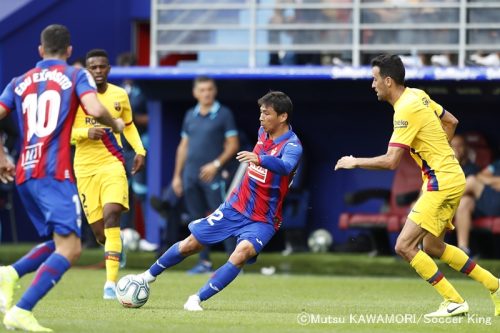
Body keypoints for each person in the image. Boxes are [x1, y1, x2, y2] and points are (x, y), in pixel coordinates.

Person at [335, 54, 500, 318]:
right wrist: (441, 152)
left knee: (404, 245)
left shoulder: (404, 110)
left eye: (375, 79)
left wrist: (354, 162)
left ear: (388, 81)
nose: (372, 85)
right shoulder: (417, 94)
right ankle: (495, 285)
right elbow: (452, 122)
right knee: (433, 247)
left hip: (441, 181)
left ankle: (453, 301)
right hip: (450, 176)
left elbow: (391, 162)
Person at [0, 24, 124, 332]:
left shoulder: (19, 81)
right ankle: (21, 310)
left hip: (25, 172)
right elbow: (94, 106)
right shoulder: (74, 75)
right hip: (54, 173)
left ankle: (10, 273)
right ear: (69, 52)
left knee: (57, 242)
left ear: (40, 51)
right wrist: (116, 122)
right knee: (71, 248)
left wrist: (2, 157)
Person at [138, 91, 302, 310]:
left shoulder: (292, 146)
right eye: (260, 112)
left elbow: (286, 167)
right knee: (190, 244)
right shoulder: (263, 132)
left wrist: (260, 159)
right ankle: (146, 277)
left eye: (266, 113)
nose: (261, 118)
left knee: (241, 253)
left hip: (263, 218)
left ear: (282, 117)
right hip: (235, 206)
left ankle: (196, 299)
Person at [71, 49, 146, 299]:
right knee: (101, 233)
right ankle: (116, 248)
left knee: (112, 215)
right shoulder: (77, 97)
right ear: (87, 71)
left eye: (102, 67)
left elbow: (129, 124)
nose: (98, 71)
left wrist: (139, 150)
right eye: (93, 67)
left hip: (113, 162)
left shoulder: (119, 95)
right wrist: (84, 134)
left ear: (109, 69)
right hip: (85, 168)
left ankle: (110, 284)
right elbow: (64, 133)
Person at [152, 76, 240, 274]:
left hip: (213, 176)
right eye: (202, 90)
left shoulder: (224, 114)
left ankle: (234, 263)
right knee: (197, 220)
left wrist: (215, 165)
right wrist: (177, 176)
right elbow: (183, 146)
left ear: (215, 90)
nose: (206, 93)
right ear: (195, 93)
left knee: (223, 217)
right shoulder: (190, 115)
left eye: (209, 89)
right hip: (190, 175)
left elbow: (233, 144)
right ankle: (204, 262)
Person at [454, 159, 500, 256]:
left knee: (471, 181)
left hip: (496, 203)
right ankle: (463, 251)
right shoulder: (497, 163)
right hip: (489, 201)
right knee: (464, 202)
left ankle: (438, 202)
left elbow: (479, 179)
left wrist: (488, 180)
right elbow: (479, 175)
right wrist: (494, 181)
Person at [450, 134, 480, 254]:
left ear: (466, 148)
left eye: (460, 146)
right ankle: (417, 247)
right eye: (453, 146)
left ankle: (463, 250)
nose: (456, 149)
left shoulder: (473, 168)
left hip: (470, 207)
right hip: (448, 206)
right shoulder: (444, 167)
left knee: (464, 201)